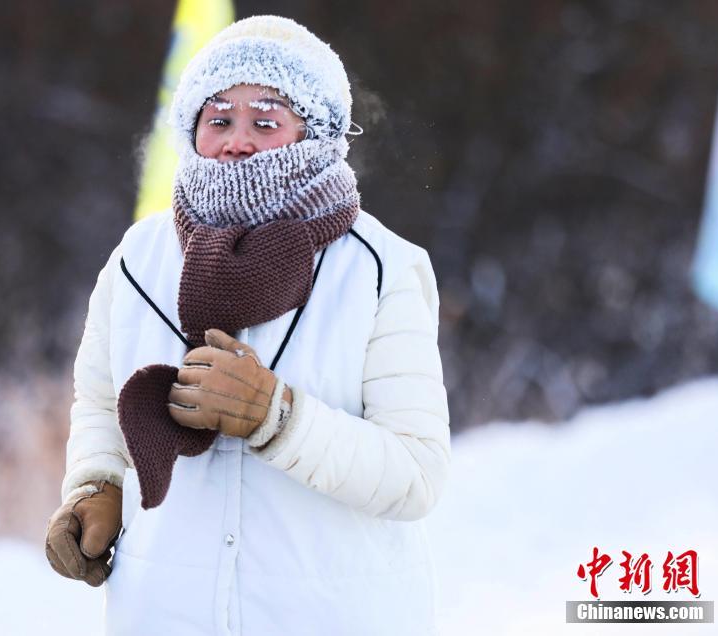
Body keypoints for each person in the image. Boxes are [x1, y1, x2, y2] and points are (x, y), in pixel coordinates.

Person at [45, 15, 451, 636]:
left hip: (335, 618)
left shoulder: (382, 268)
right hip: (162, 616)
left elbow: (416, 476)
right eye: (219, 119)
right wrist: (95, 489)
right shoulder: (137, 259)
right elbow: (101, 403)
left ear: (314, 134)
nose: (238, 141)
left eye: (265, 121)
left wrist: (277, 417)